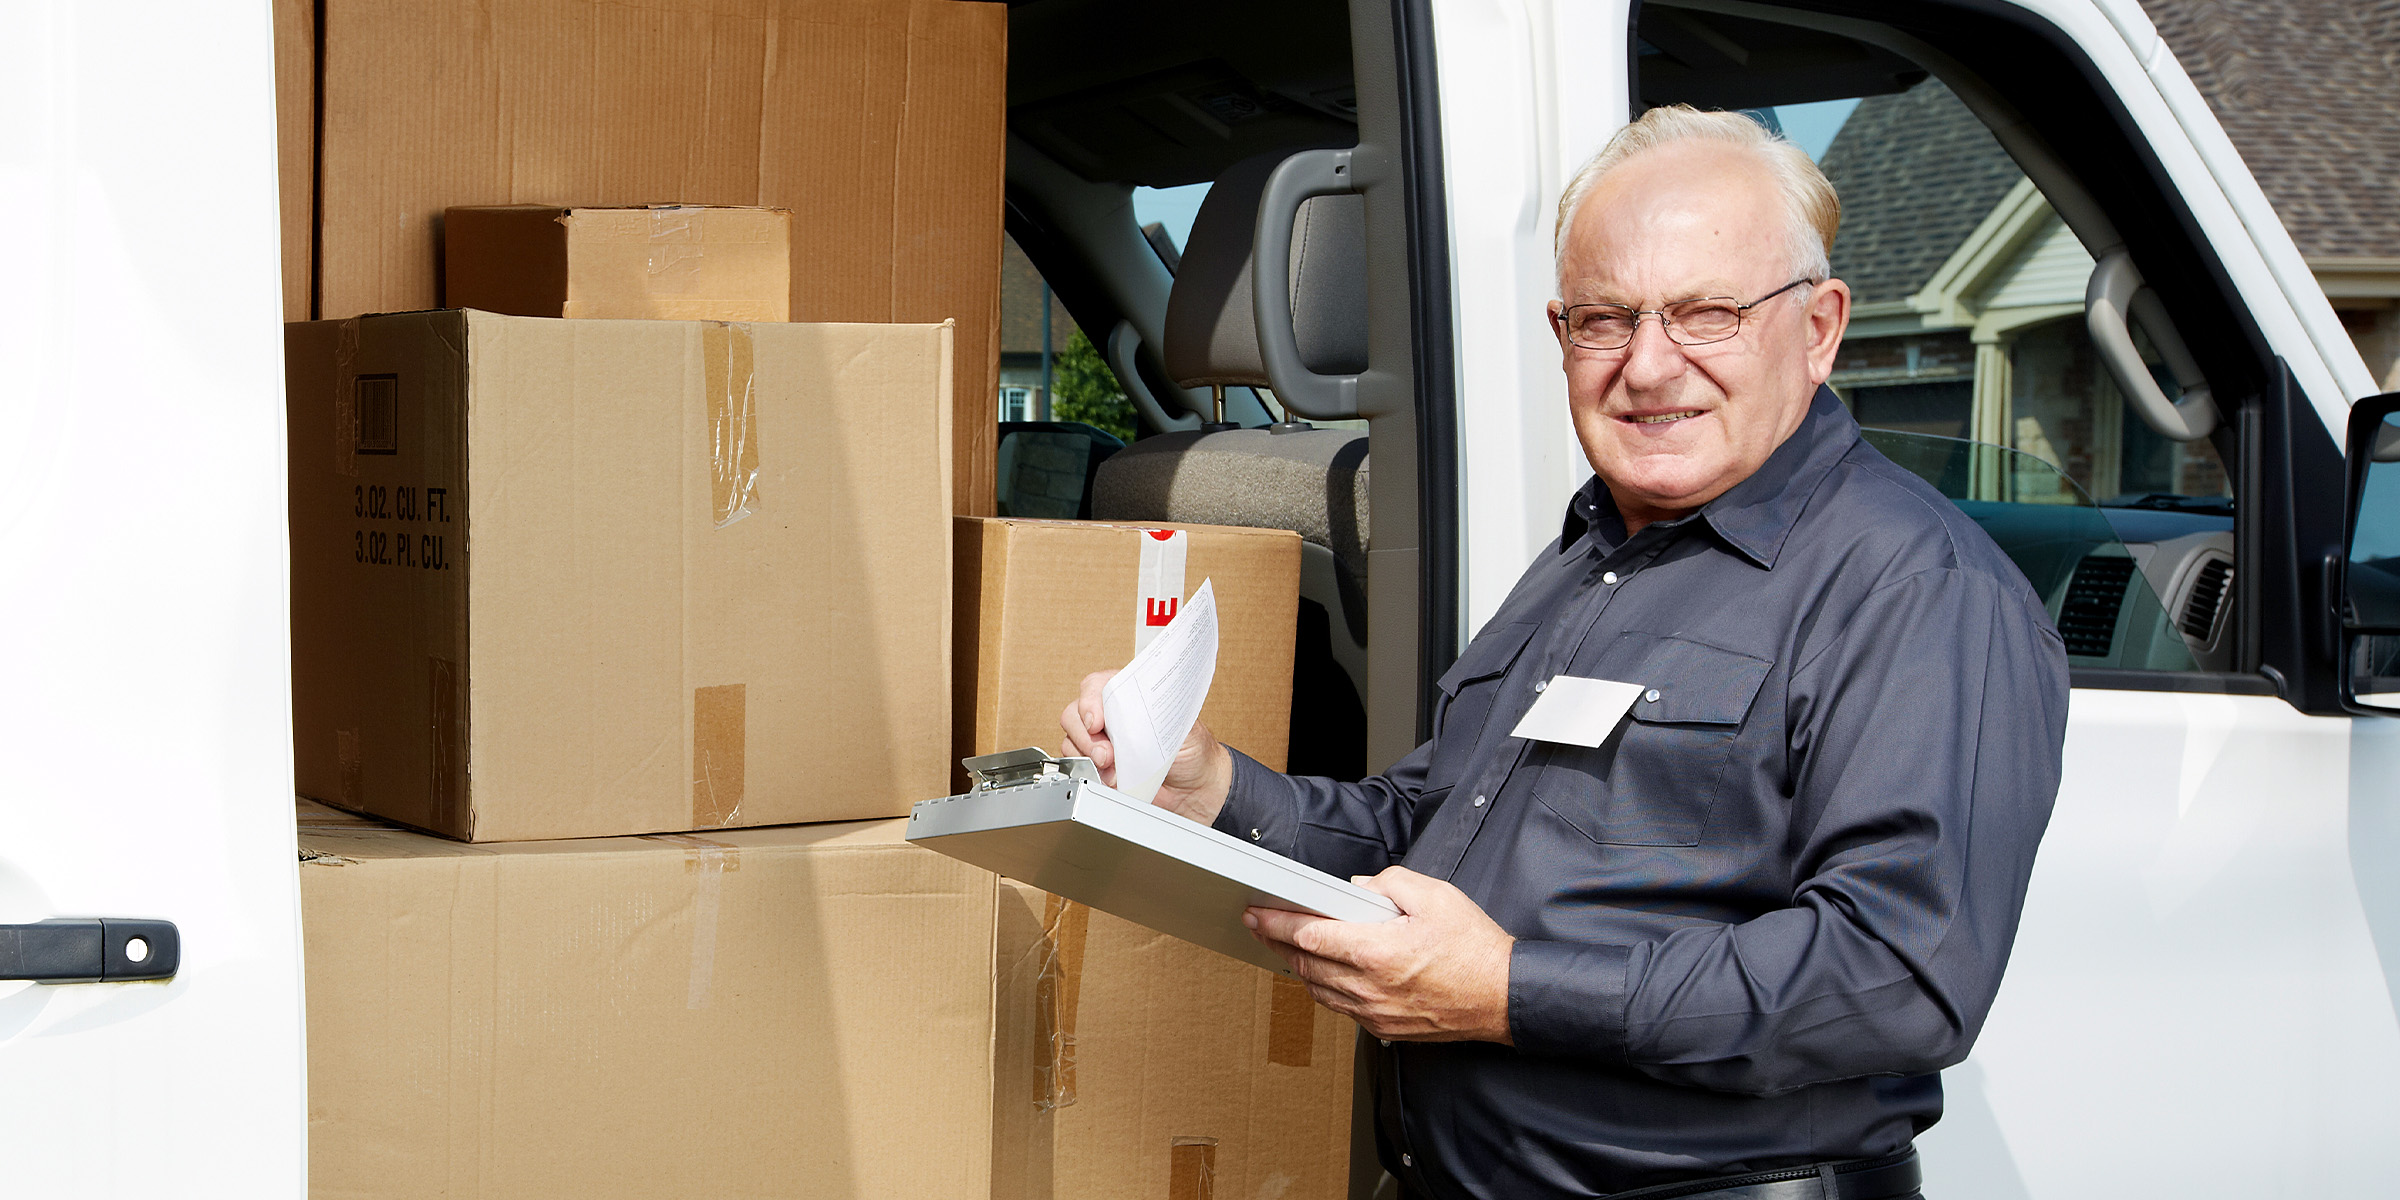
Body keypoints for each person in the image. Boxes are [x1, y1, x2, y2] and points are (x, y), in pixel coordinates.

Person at [1062, 105, 2068, 1200]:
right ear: (1561, 334)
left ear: (1820, 328)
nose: (1646, 365)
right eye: (1605, 319)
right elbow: (1427, 824)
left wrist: (1506, 990)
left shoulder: (1918, 590)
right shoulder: (1591, 555)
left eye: (1706, 313)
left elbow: (1892, 980)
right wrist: (1215, 790)